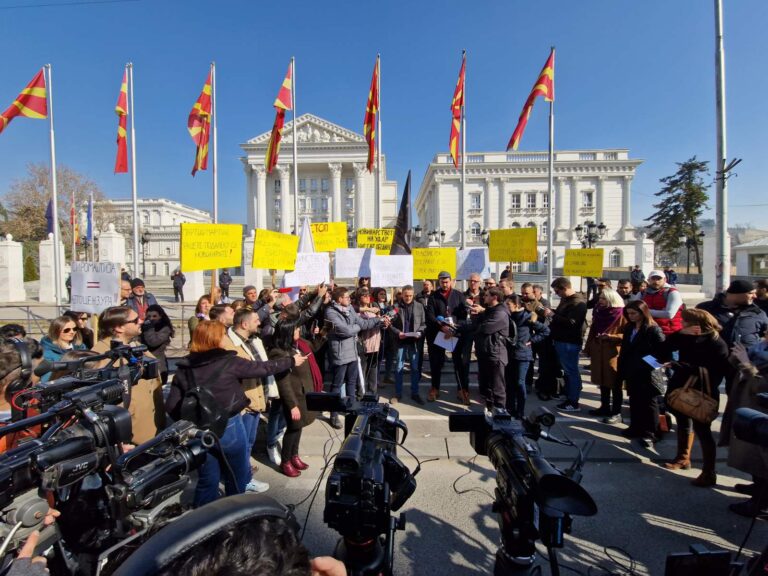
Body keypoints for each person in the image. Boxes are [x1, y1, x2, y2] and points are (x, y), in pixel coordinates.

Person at [166, 321, 303, 507]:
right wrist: (291, 361)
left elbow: (172, 406)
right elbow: (263, 368)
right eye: (222, 335)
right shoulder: (228, 361)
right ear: (215, 339)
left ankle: (203, 522)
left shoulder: (184, 368)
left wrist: (195, 418)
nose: (225, 338)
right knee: (236, 475)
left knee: (208, 478)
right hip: (228, 425)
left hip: (198, 430)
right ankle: (235, 514)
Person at [659, 309, 729, 487]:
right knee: (682, 423)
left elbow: (716, 371)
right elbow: (663, 349)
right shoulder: (685, 336)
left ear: (696, 323)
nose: (681, 323)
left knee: (703, 431)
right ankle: (682, 458)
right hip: (680, 389)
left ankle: (708, 472)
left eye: (685, 321)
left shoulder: (717, 342)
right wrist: (679, 333)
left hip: (702, 392)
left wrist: (682, 366)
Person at [93, 306, 165, 444]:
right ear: (119, 328)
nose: (142, 321)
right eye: (135, 320)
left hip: (151, 430)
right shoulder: (100, 358)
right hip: (129, 438)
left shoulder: (136, 346)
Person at [325, 287, 389, 428]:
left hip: (353, 352)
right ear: (339, 299)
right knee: (337, 384)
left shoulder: (350, 309)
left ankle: (352, 411)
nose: (349, 299)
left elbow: (363, 323)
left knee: (352, 383)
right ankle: (334, 414)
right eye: (346, 297)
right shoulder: (330, 312)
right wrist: (356, 327)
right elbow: (345, 331)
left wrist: (379, 320)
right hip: (340, 354)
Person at [268, 318, 324, 477]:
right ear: (287, 333)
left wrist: (324, 332)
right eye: (296, 329)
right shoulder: (278, 353)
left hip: (303, 393)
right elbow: (283, 383)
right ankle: (285, 461)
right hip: (293, 397)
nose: (299, 331)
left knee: (299, 427)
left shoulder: (299, 344)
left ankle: (294, 455)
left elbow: (314, 347)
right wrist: (292, 405)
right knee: (292, 429)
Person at [225, 306, 271, 492]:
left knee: (248, 444)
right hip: (244, 404)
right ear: (244, 324)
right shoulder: (231, 344)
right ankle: (240, 483)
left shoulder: (250, 339)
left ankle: (245, 479)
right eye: (255, 320)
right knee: (241, 447)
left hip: (255, 399)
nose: (259, 322)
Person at [721, 335, 768, 517]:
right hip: (745, 404)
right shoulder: (760, 347)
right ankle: (758, 487)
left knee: (760, 458)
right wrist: (738, 356)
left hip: (760, 411)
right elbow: (737, 366)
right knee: (751, 456)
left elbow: (762, 386)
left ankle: (760, 504)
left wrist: (746, 362)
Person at [616, 300, 665, 446]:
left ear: (642, 313)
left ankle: (652, 432)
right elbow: (625, 348)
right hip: (631, 370)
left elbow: (662, 351)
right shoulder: (629, 327)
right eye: (628, 313)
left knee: (650, 403)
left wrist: (646, 362)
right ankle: (636, 427)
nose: (630, 316)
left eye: (633, 313)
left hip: (647, 372)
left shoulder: (653, 329)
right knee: (635, 400)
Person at [425, 271, 469, 402]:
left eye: (447, 281)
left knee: (458, 363)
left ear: (451, 281)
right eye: (442, 281)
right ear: (439, 282)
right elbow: (430, 316)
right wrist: (442, 327)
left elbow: (463, 317)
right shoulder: (433, 296)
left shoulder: (459, 295)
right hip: (439, 333)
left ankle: (462, 390)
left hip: (456, 334)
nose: (444, 284)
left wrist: (454, 330)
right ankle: (435, 388)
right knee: (436, 363)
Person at [584, 288, 627, 423]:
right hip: (599, 350)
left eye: (603, 298)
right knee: (602, 382)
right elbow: (593, 330)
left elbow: (628, 335)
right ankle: (604, 407)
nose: (600, 301)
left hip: (614, 353)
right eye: (600, 298)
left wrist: (612, 337)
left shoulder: (622, 314)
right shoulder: (599, 312)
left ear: (611, 300)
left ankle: (616, 412)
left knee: (615, 384)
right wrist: (588, 347)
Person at [504, 294, 549, 419]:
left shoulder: (527, 317)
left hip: (523, 355)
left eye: (508, 304)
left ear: (516, 305)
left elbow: (545, 331)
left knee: (519, 383)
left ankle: (520, 411)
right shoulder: (508, 317)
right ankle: (510, 408)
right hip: (510, 354)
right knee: (510, 383)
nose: (506, 306)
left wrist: (532, 341)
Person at [547, 277, 587, 412]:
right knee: (569, 371)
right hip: (562, 340)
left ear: (564, 288)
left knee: (571, 371)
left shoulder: (577, 302)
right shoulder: (567, 300)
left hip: (569, 342)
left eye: (557, 291)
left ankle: (573, 401)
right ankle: (570, 396)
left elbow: (572, 323)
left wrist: (552, 315)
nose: (557, 294)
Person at [470, 287, 508, 411]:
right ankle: (490, 408)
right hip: (487, 351)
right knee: (488, 385)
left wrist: (478, 326)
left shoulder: (501, 313)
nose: (484, 297)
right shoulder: (490, 310)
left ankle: (500, 410)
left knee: (497, 386)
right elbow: (478, 324)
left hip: (495, 353)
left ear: (494, 297)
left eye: (486, 295)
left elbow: (486, 328)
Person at [390, 285, 427, 405]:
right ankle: (398, 393)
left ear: (413, 295)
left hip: (414, 342)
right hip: (400, 341)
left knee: (415, 369)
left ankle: (415, 393)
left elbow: (423, 323)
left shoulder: (419, 306)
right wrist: (397, 333)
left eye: (410, 296)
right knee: (399, 368)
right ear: (402, 295)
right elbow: (389, 324)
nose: (408, 298)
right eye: (406, 295)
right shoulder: (395, 307)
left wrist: (420, 332)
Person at [354, 287, 383, 395]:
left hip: (375, 345)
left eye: (368, 295)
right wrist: (376, 319)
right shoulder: (357, 311)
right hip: (364, 346)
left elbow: (378, 324)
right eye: (364, 295)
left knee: (373, 370)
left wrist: (383, 321)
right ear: (359, 298)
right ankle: (361, 394)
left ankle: (373, 393)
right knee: (363, 371)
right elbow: (363, 325)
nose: (367, 297)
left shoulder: (373, 308)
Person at [40, 316, 87, 381]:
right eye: (67, 330)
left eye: (74, 329)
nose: (72, 332)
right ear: (56, 331)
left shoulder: (81, 347)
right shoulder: (47, 352)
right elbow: (47, 379)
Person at [642, 269, 684, 336]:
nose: (656, 281)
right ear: (648, 280)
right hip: (648, 330)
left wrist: (645, 311)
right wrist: (661, 312)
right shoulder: (643, 293)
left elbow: (669, 314)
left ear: (665, 280)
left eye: (659, 279)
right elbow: (634, 309)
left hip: (669, 332)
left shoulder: (672, 292)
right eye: (653, 279)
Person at [141, 304, 175, 384]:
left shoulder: (165, 328)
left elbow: (153, 342)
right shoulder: (144, 327)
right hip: (145, 362)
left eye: (154, 316)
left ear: (160, 316)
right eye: (149, 316)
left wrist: (149, 329)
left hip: (158, 363)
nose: (151, 318)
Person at [415, 280, 434, 377]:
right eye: (424, 285)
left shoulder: (435, 296)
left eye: (428, 285)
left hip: (432, 326)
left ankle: (433, 370)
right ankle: (418, 371)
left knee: (432, 349)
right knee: (419, 349)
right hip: (421, 326)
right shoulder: (418, 297)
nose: (426, 286)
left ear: (432, 286)